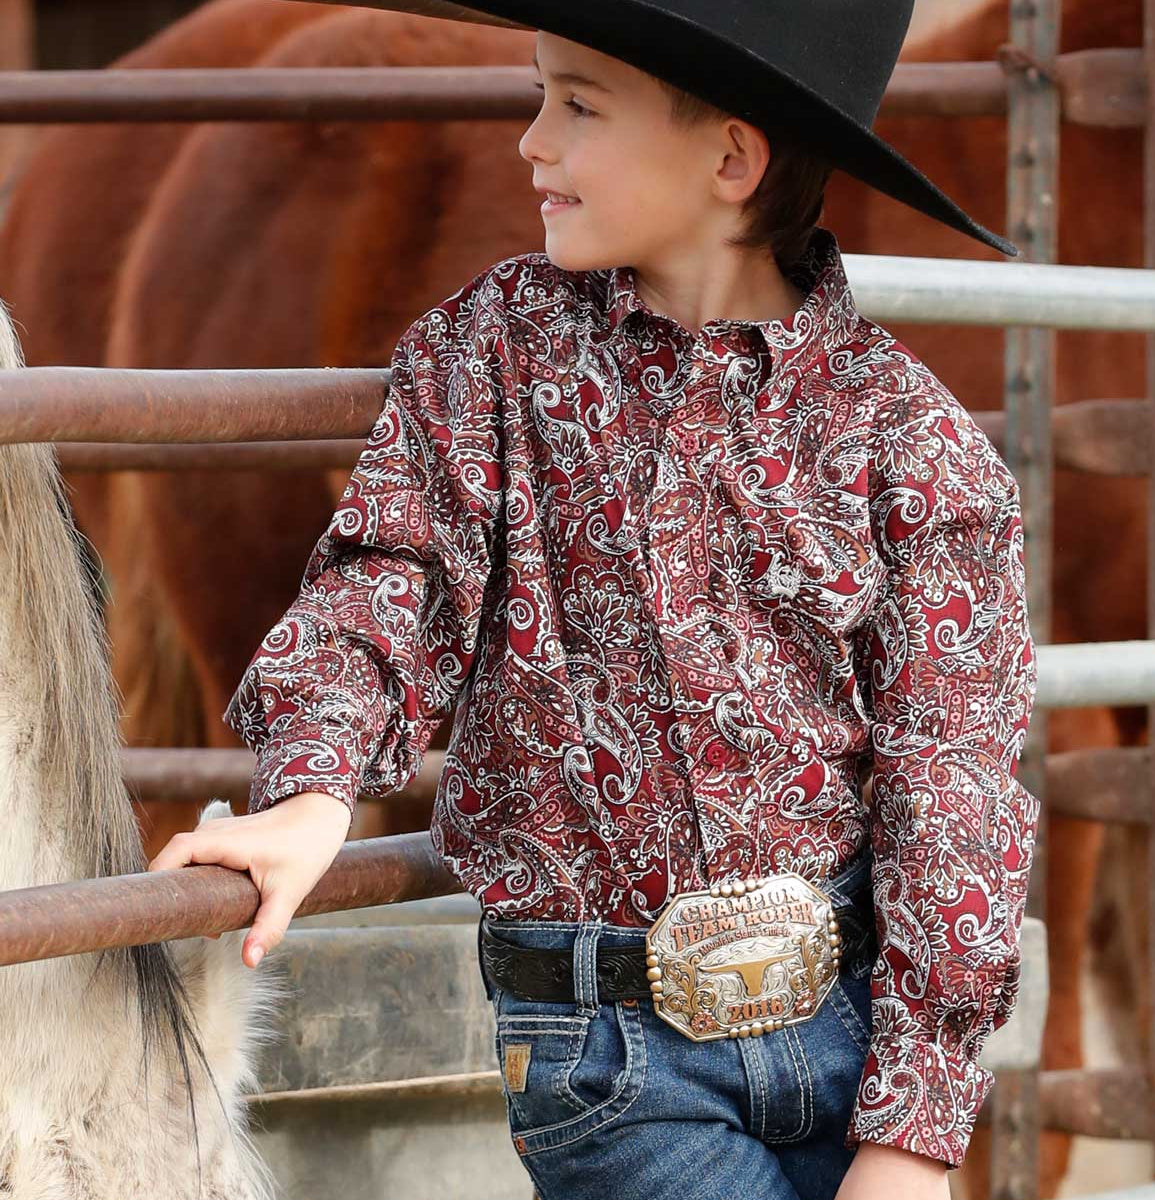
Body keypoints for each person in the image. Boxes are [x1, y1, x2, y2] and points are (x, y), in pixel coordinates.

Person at [149, 4, 1041, 1198]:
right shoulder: (494, 351)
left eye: (576, 105)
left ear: (732, 159)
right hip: (615, 1058)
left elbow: (954, 780)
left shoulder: (909, 439)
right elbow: (396, 572)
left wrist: (914, 1134)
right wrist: (314, 789)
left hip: (852, 1030)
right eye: (541, 95)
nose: (532, 140)